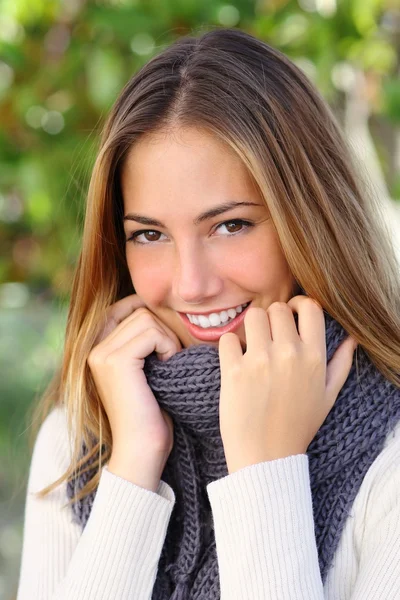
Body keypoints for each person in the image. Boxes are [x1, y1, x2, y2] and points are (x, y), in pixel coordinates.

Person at [16, 27, 400, 600]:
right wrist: (135, 464)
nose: (191, 285)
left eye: (230, 225)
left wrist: (265, 471)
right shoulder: (83, 435)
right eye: (149, 234)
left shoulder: (389, 448)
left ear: (312, 222)